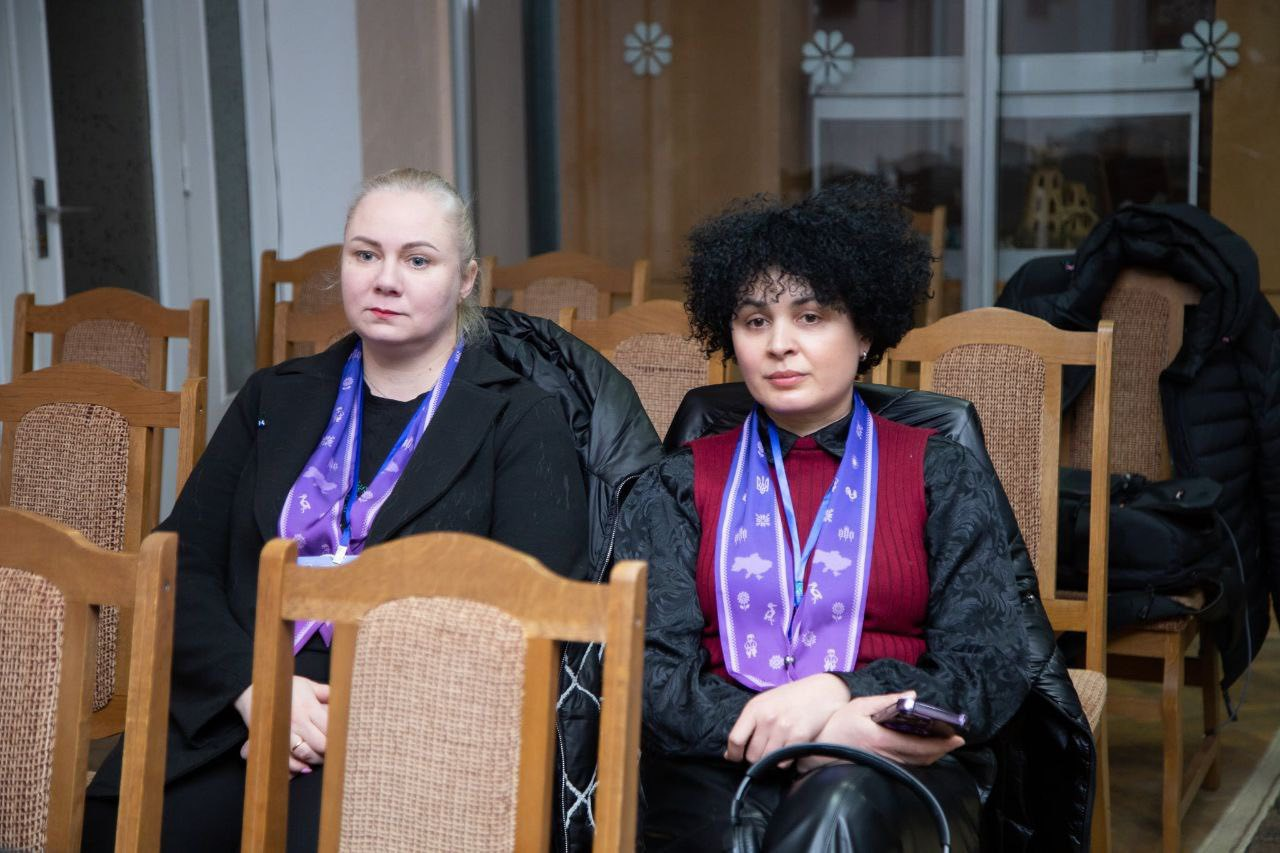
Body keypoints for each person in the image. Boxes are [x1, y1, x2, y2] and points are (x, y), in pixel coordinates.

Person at [83, 168, 589, 851]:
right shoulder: (274, 396)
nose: (387, 280)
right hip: (238, 706)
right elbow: (182, 566)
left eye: (418, 260)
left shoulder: (520, 418)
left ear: (467, 279)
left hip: (410, 732)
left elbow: (524, 623)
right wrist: (256, 690)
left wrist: (343, 714)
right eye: (365, 254)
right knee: (115, 825)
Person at [615, 179, 1032, 851]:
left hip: (891, 756)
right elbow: (650, 674)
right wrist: (801, 734)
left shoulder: (941, 473)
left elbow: (988, 664)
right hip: (713, 760)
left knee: (840, 804)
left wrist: (840, 695)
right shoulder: (678, 483)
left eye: (810, 317)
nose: (779, 343)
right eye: (755, 321)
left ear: (864, 332)